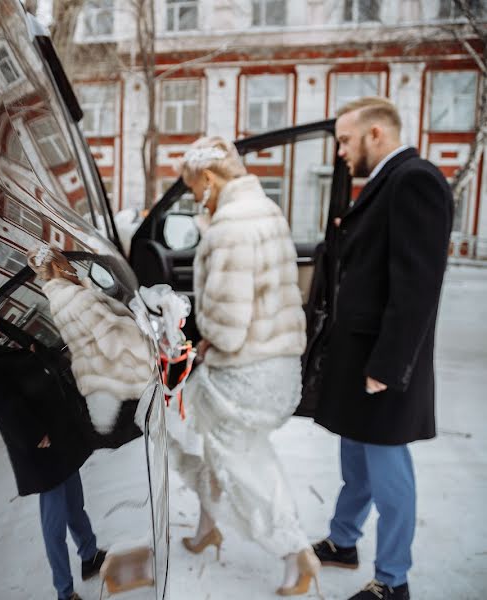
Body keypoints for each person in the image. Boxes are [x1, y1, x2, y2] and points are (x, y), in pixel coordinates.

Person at [312, 97, 453, 600]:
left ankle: (393, 580)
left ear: (376, 134)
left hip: (383, 363)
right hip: (360, 358)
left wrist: (390, 365)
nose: (341, 152)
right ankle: (344, 541)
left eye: (345, 141)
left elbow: (417, 285)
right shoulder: (385, 183)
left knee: (388, 473)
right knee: (355, 460)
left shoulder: (415, 180)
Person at [170, 136, 321, 596]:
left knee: (241, 461)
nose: (197, 197)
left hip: (243, 371)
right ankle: (206, 527)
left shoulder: (230, 226)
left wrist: (198, 333)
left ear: (211, 179)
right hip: (275, 364)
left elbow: (228, 322)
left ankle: (297, 553)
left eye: (195, 188)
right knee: (198, 437)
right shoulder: (266, 211)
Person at [0, 307, 106, 600]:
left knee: (75, 504)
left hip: (56, 437)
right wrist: (34, 434)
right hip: (39, 447)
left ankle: (90, 556)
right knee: (54, 524)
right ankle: (64, 591)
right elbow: (1, 405)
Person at [26, 245, 154, 437]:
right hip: (131, 379)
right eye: (68, 263)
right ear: (60, 267)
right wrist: (149, 336)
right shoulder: (79, 297)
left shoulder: (58, 303)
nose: (75, 268)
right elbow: (116, 340)